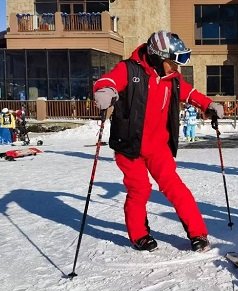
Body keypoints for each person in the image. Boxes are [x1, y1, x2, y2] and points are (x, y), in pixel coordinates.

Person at [92, 30, 224, 252]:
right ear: (157, 56)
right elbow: (108, 80)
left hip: (158, 147)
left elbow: (191, 94)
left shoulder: (173, 80)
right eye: (173, 61)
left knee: (175, 187)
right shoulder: (129, 69)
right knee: (140, 189)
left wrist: (208, 105)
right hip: (129, 146)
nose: (177, 67)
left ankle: (198, 233)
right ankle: (139, 235)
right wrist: (105, 90)